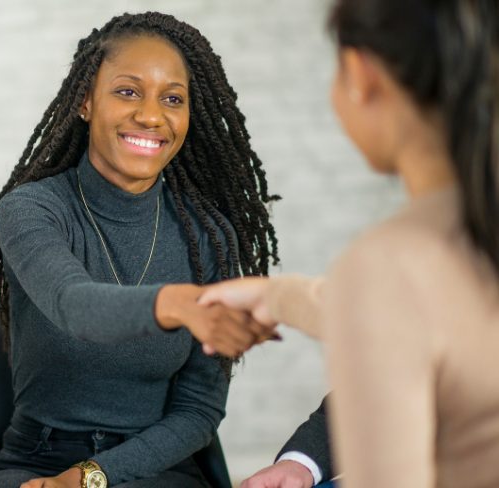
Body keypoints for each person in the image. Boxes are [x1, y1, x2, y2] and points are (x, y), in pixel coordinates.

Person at [200, 0, 499, 486]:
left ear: (360, 74)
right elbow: (422, 317)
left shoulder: (388, 264)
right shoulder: (459, 240)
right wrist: (277, 296)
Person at [0, 11, 280, 488]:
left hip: (155, 467)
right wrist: (176, 303)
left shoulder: (208, 238)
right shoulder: (31, 210)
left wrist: (87, 479)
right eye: (127, 91)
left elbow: (198, 410)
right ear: (85, 102)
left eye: (173, 99)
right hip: (36, 462)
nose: (151, 116)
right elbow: (74, 304)